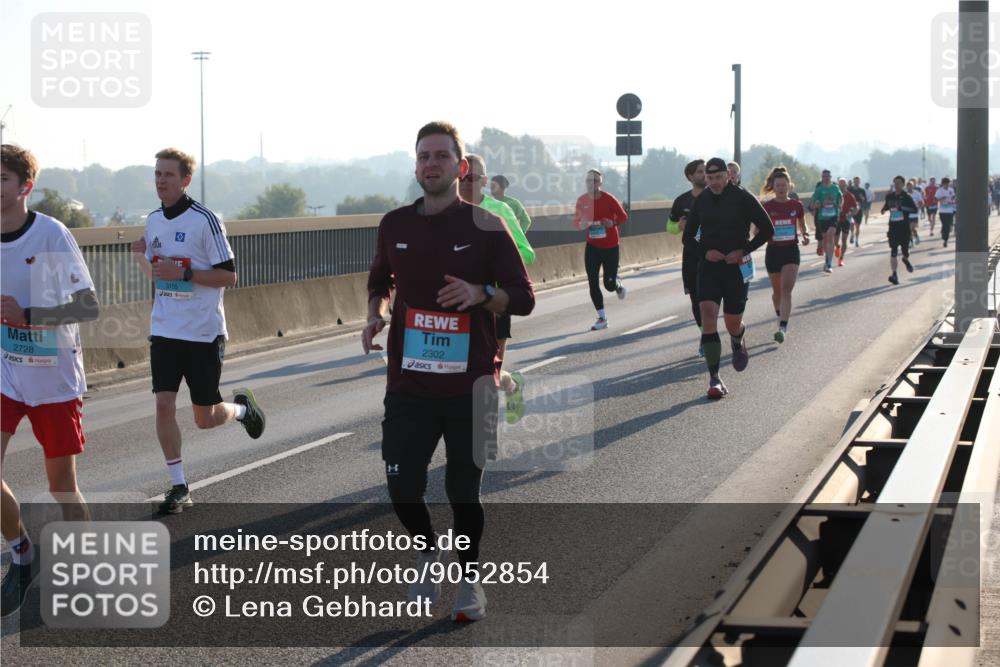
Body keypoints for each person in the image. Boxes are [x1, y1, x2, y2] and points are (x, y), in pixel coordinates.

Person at [362, 121, 535, 622]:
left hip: (472, 382)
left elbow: (522, 297)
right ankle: (427, 554)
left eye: (440, 156)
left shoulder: (486, 225)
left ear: (460, 168)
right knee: (401, 485)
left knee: (464, 492)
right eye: (423, 156)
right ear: (415, 166)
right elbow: (379, 280)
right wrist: (375, 312)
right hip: (409, 383)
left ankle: (469, 580)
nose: (430, 164)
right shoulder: (395, 223)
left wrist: (482, 294)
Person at [130, 148, 265, 515]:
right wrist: (141, 259)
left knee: (204, 418)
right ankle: (179, 486)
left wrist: (186, 273)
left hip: (203, 333)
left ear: (185, 180)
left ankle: (240, 409)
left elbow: (229, 276)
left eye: (169, 175)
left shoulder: (205, 220)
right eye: (157, 174)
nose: (161, 180)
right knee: (162, 405)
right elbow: (160, 279)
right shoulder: (153, 220)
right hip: (165, 330)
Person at [1, 144, 99, 616]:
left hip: (52, 375)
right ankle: (22, 554)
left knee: (62, 488)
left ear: (25, 186)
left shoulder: (51, 236)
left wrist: (29, 315)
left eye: (1, 178)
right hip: (5, 372)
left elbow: (87, 306)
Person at [683, 158, 774, 399]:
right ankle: (714, 379)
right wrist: (705, 252)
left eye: (718, 177)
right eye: (710, 178)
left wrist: (743, 251)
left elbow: (767, 229)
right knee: (708, 316)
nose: (713, 182)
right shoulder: (701, 201)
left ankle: (737, 338)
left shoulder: (743, 197)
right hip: (709, 268)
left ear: (728, 176)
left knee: (732, 322)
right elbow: (688, 237)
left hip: (736, 270)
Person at [460, 155, 535, 424]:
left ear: (483, 181)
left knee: (490, 372)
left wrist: (494, 269)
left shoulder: (499, 211)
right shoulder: (444, 212)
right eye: (462, 177)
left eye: (473, 178)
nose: (466, 183)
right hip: (458, 304)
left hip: (494, 302)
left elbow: (526, 253)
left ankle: (507, 391)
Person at [573, 169, 628, 330]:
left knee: (608, 285)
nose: (592, 183)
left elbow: (623, 216)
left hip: (611, 246)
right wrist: (581, 224)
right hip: (592, 247)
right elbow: (576, 221)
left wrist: (612, 222)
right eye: (589, 180)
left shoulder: (609, 198)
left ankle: (617, 284)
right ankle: (602, 318)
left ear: (600, 183)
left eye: (595, 180)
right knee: (592, 282)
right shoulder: (582, 200)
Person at [760, 166, 807, 344]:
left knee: (786, 291)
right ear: (773, 186)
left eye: (784, 185)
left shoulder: (796, 205)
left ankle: (783, 327)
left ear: (789, 186)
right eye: (778, 185)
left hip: (791, 251)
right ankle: (780, 316)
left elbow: (803, 225)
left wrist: (806, 235)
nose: (781, 188)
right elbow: (758, 229)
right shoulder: (767, 206)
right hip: (773, 252)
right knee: (777, 293)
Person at [667, 159, 707, 354]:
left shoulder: (716, 196)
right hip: (691, 256)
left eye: (705, 170)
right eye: (700, 171)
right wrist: (679, 226)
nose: (704, 174)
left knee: (713, 298)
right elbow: (669, 227)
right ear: (691, 177)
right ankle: (705, 337)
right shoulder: (682, 201)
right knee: (696, 299)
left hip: (716, 256)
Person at [881, 175, 918, 284]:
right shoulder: (890, 196)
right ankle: (894, 274)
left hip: (904, 228)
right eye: (895, 183)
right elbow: (887, 205)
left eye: (898, 183)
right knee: (893, 251)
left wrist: (902, 208)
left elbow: (914, 209)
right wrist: (883, 209)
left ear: (902, 184)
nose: (896, 185)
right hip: (893, 227)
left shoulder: (907, 197)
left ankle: (905, 260)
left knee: (905, 252)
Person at [811, 170, 842, 273]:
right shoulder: (819, 189)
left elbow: (840, 197)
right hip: (822, 217)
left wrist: (839, 205)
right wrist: (817, 204)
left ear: (831, 177)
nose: (826, 178)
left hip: (833, 216)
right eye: (824, 176)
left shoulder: (835, 187)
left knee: (830, 235)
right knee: (825, 239)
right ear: (822, 177)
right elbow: (814, 203)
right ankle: (827, 260)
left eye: (828, 176)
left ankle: (829, 263)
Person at [835, 178, 859, 267]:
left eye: (843, 185)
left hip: (845, 219)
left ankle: (841, 259)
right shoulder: (836, 195)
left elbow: (856, 208)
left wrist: (851, 214)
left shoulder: (850, 195)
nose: (841, 187)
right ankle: (837, 247)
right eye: (840, 186)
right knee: (835, 241)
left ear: (846, 186)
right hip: (836, 219)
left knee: (844, 239)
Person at [936, 177, 956, 247]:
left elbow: (953, 197)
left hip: (950, 210)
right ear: (942, 184)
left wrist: (952, 199)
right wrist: (942, 198)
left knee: (948, 225)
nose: (946, 185)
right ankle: (943, 233)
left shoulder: (951, 190)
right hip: (942, 210)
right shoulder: (939, 190)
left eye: (947, 184)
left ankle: (945, 240)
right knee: (944, 224)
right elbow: (937, 198)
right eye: (945, 184)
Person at [847, 176, 867, 246]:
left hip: (859, 210)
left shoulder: (862, 190)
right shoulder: (850, 189)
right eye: (855, 181)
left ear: (859, 182)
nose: (856, 182)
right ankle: (852, 234)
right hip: (851, 209)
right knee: (852, 224)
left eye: (858, 181)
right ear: (853, 181)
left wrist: (862, 198)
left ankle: (856, 241)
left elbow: (865, 200)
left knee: (858, 226)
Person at [906, 180, 923, 244]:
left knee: (912, 228)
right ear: (906, 187)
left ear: (913, 186)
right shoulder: (905, 194)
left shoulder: (917, 193)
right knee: (909, 229)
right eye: (908, 186)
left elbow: (921, 202)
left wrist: (918, 206)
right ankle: (911, 241)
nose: (909, 187)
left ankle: (915, 237)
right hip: (907, 214)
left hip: (915, 214)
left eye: (911, 186)